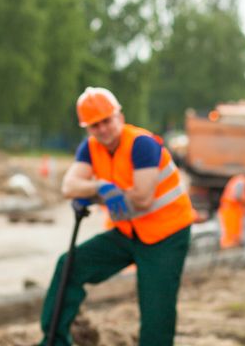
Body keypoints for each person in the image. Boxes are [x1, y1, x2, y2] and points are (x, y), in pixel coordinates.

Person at [39, 87, 196, 346]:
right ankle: (53, 340)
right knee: (69, 265)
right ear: (87, 128)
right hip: (127, 232)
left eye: (106, 121)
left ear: (119, 117)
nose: (102, 129)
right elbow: (69, 186)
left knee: (156, 306)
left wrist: (95, 191)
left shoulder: (142, 144)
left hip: (166, 236)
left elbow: (143, 197)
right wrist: (100, 187)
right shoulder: (90, 148)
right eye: (94, 125)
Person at [217, 174, 245, 249]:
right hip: (230, 209)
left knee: (234, 232)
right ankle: (228, 249)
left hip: (233, 209)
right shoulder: (242, 181)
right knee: (230, 232)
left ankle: (233, 249)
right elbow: (238, 196)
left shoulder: (239, 180)